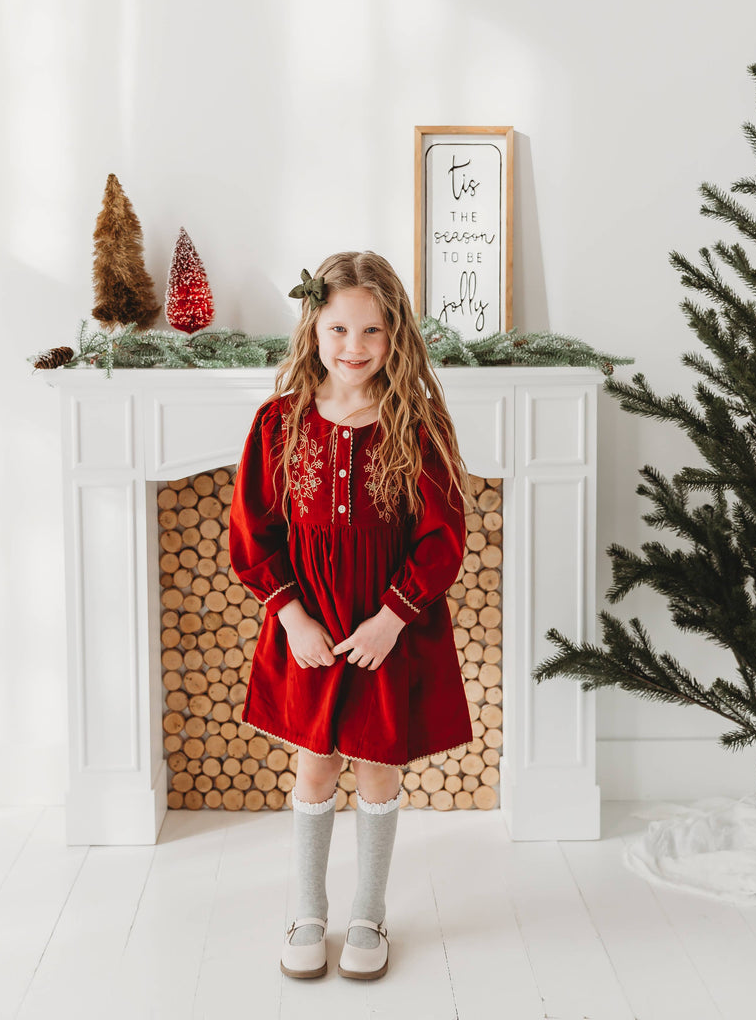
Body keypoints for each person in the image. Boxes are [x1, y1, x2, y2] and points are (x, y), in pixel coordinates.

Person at [228, 250, 475, 981]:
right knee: (315, 765)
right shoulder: (279, 423)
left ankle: (368, 912)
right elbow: (253, 532)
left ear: (396, 335)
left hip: (385, 630)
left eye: (372, 331)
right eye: (339, 328)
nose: (354, 347)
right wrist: (292, 618)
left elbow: (443, 536)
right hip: (311, 627)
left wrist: (393, 618)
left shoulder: (416, 424)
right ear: (313, 328)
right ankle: (308, 911)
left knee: (377, 766)